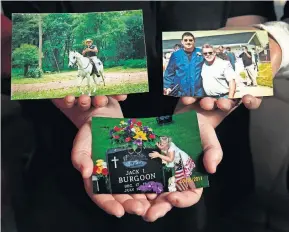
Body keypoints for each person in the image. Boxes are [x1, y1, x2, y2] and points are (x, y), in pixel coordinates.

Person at [1, 1, 285, 232]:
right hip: (68, 163)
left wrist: (265, 49)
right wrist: (25, 58)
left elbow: (246, 13)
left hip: (207, 157)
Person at [163, 32, 204, 97]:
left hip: (198, 91)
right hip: (181, 91)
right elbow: (169, 72)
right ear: (182, 42)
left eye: (190, 40)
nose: (188, 42)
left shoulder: (201, 53)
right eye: (185, 40)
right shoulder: (176, 55)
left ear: (194, 41)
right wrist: (167, 86)